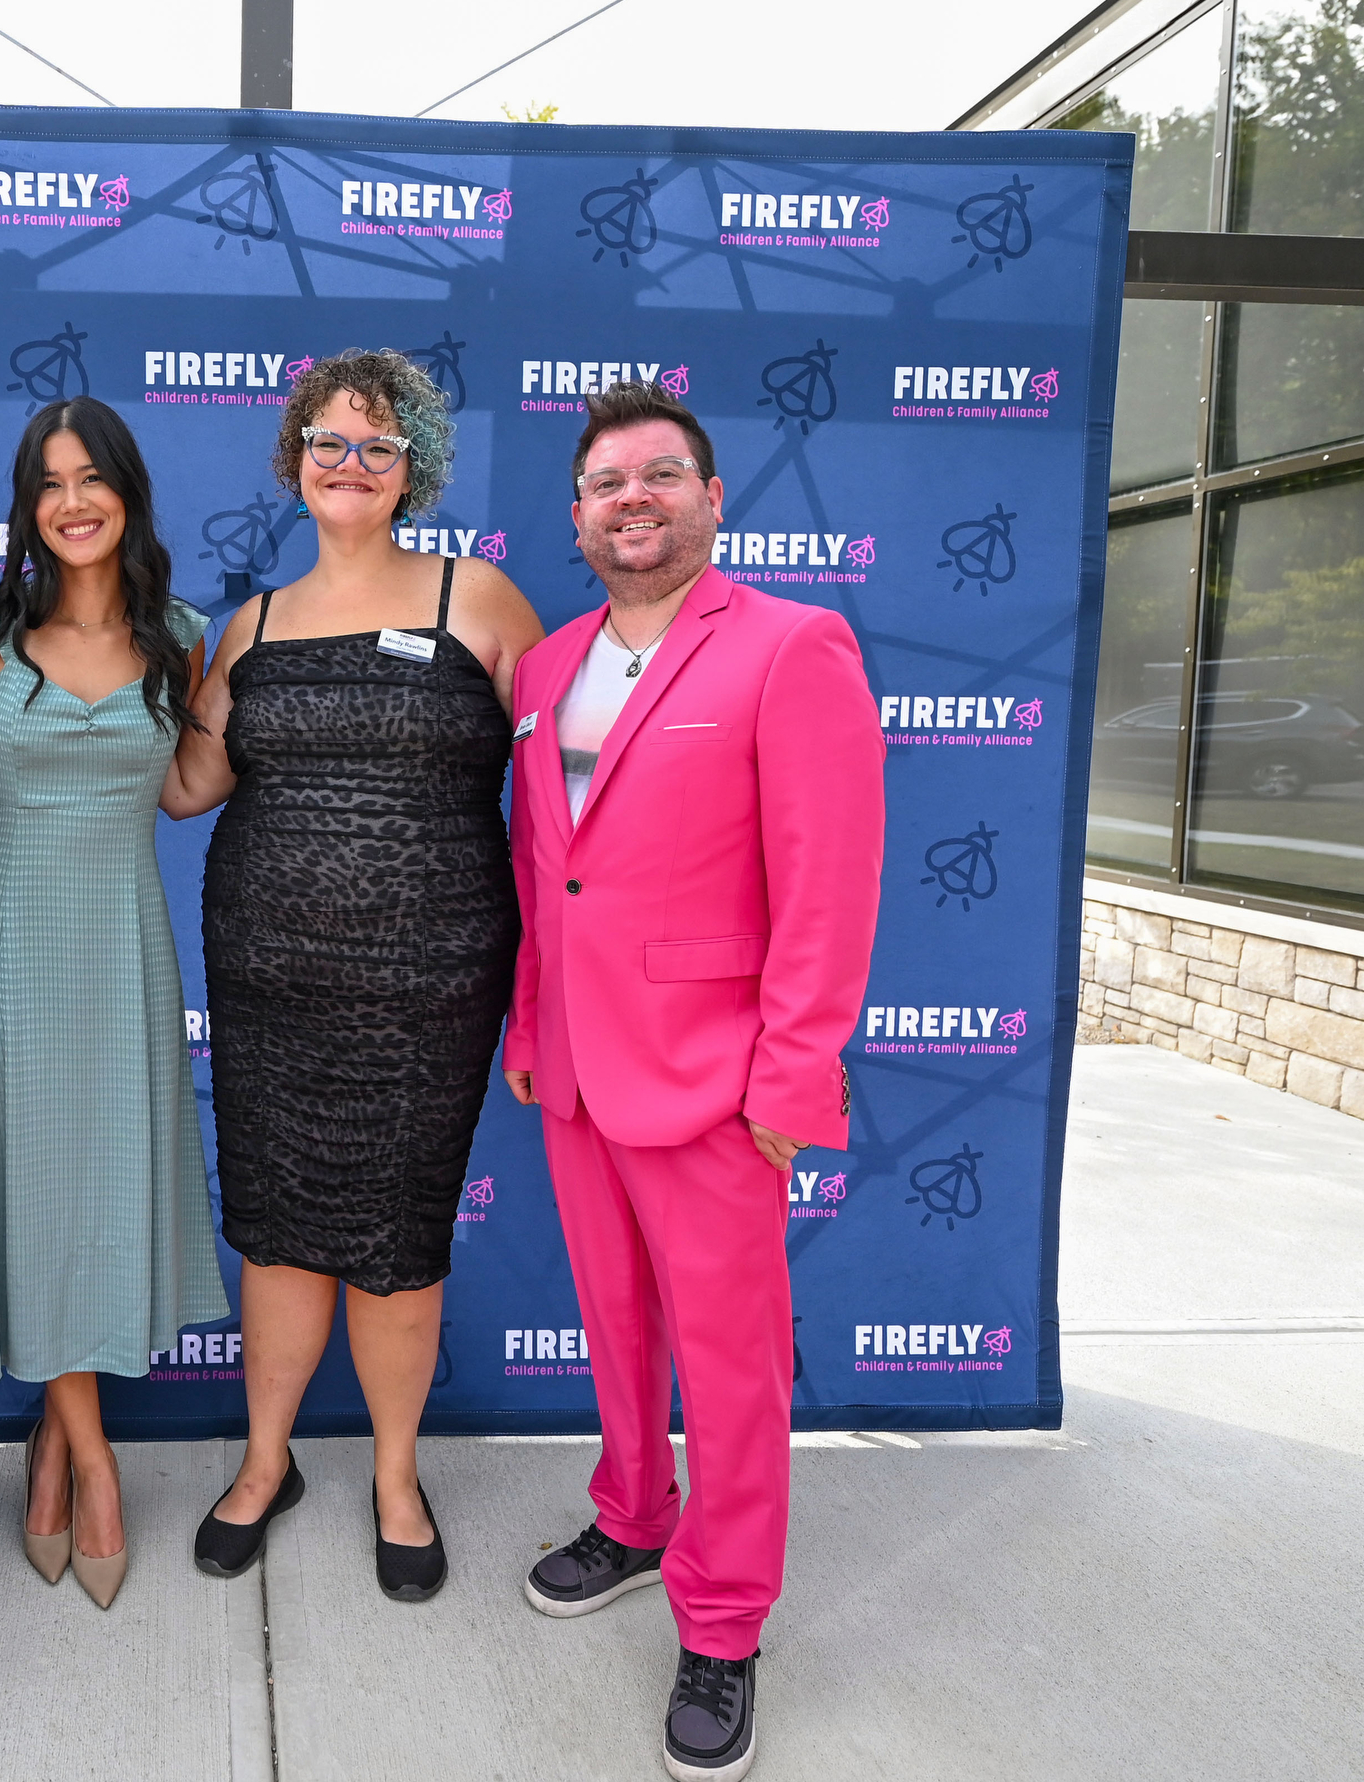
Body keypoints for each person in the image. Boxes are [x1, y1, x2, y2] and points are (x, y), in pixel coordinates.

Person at [502, 381, 883, 1781]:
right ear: (578, 516)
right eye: (607, 483)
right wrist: (532, 1025)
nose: (634, 500)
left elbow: (828, 884)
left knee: (728, 1364)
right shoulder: (546, 669)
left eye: (660, 475)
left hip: (719, 1081)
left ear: (712, 498)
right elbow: (550, 873)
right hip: (579, 1071)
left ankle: (722, 1622)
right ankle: (633, 1512)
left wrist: (792, 1078)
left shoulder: (793, 645)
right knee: (616, 1327)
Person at [172, 349, 544, 1602]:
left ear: (412, 470)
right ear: (294, 460)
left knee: (398, 1234)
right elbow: (188, 784)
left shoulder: (475, 595)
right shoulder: (250, 624)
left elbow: (565, 790)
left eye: (378, 445)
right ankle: (265, 1461)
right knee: (277, 1229)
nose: (350, 462)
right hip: (265, 980)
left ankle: (394, 1475)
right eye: (327, 441)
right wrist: (80, 686)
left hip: (428, 988)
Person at [0, 397, 229, 1609]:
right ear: (27, 505)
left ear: (126, 492)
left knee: (98, 1188)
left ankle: (55, 1447)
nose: (72, 501)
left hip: (122, 946)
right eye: (49, 482)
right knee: (29, 1191)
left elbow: (185, 788)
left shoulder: (185, 635)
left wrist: (271, 684)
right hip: (2, 946)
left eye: (91, 477)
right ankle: (94, 1459)